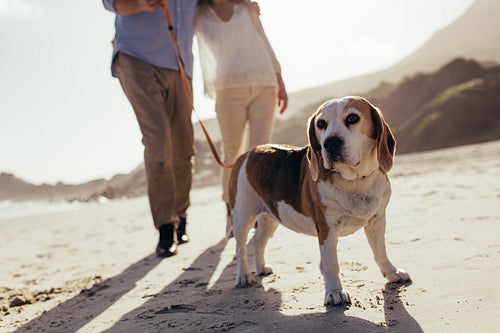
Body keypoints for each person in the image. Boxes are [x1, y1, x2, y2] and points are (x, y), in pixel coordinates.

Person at [103, 0, 198, 257]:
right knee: (158, 139)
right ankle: (166, 227)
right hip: (137, 57)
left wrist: (246, 6)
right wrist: (140, 3)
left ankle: (181, 217)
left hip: (180, 65)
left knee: (184, 147)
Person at [194, 0, 288, 216]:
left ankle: (259, 210)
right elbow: (173, 33)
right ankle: (232, 207)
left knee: (260, 151)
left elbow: (265, 43)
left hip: (264, 84)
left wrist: (280, 81)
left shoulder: (246, 8)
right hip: (227, 90)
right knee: (232, 153)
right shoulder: (198, 15)